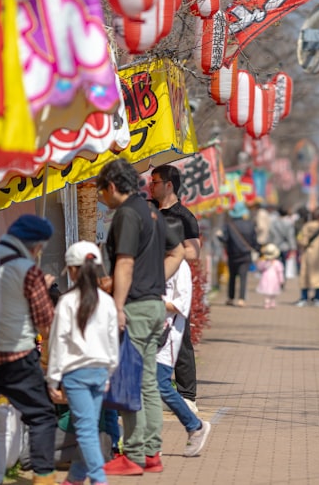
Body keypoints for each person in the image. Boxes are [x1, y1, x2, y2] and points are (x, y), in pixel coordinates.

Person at [96, 158, 184, 476]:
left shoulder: (127, 214)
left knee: (131, 380)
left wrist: (118, 305)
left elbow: (125, 262)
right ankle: (151, 452)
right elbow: (179, 252)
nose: (100, 197)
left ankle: (132, 454)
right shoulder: (152, 212)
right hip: (154, 305)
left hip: (134, 307)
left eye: (100, 190)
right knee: (147, 380)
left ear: (111, 186)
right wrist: (155, 279)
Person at [0, 215, 59, 485]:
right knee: (41, 416)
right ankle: (43, 479)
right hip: (16, 357)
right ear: (35, 245)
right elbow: (46, 321)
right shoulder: (27, 269)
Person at [47, 241, 120, 485]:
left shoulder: (67, 302)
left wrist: (53, 380)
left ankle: (99, 480)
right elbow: (113, 342)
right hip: (100, 372)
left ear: (73, 270)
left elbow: (57, 343)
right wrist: (109, 373)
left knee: (86, 429)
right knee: (88, 427)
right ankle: (75, 477)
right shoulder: (107, 301)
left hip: (76, 373)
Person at [149, 164, 201, 414]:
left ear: (169, 185)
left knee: (181, 338)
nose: (151, 185)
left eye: (155, 181)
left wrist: (169, 250)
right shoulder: (146, 209)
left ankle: (187, 395)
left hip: (173, 284)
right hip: (146, 280)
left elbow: (194, 251)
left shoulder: (184, 216)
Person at [156, 256, 211, 457]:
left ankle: (194, 425)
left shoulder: (181, 268)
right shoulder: (149, 259)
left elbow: (181, 305)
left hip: (167, 336)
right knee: (146, 387)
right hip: (145, 331)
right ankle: (149, 446)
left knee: (158, 384)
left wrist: (151, 302)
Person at [217, 202, 258, 307]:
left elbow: (225, 239)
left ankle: (231, 298)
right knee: (243, 277)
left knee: (232, 277)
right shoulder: (250, 224)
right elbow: (254, 241)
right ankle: (241, 299)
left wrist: (219, 236)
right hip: (245, 255)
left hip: (233, 255)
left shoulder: (229, 225)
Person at [296, 209, 319, 306]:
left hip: (310, 255)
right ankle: (318, 298)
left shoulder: (307, 226)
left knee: (305, 278)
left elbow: (301, 240)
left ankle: (304, 298)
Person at [255, 243, 285, 309]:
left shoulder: (265, 262)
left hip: (266, 278)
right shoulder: (277, 263)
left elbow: (259, 268)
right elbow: (280, 273)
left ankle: (267, 302)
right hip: (274, 279)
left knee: (267, 293)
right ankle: (271, 302)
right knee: (272, 292)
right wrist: (281, 280)